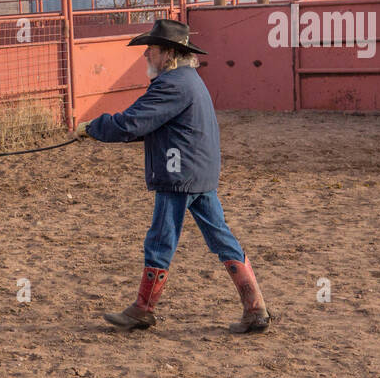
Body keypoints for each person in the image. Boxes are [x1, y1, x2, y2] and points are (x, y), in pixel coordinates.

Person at [76, 18, 270, 333]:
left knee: (160, 239)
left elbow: (132, 122)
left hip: (178, 172)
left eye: (150, 49)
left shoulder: (171, 84)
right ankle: (255, 307)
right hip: (197, 171)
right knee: (220, 237)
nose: (145, 56)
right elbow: (151, 124)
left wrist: (93, 127)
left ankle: (143, 309)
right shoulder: (188, 81)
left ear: (167, 53)